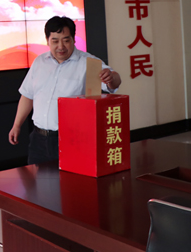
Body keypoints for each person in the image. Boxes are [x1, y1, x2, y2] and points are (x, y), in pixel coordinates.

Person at [8, 16, 121, 164]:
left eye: (66, 40)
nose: (61, 46)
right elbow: (28, 95)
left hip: (72, 139)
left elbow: (115, 81)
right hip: (38, 139)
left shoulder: (88, 62)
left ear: (74, 39)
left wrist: (111, 78)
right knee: (37, 178)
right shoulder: (39, 62)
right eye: (55, 41)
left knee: (70, 178)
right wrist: (16, 125)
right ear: (47, 40)